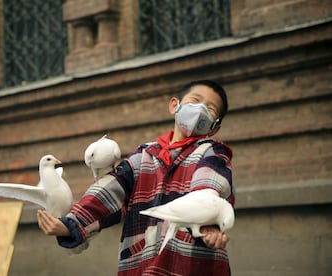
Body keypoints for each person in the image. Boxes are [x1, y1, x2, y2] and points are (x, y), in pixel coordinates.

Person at [37, 80, 235, 275]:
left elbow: (209, 186)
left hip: (191, 264)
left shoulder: (213, 153)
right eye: (195, 100)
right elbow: (109, 190)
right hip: (140, 266)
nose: (200, 109)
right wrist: (72, 223)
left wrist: (207, 223)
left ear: (214, 128)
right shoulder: (143, 156)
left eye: (210, 109)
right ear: (175, 106)